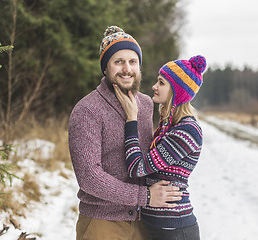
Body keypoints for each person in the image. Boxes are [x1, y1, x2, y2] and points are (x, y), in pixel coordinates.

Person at [68, 26, 182, 240]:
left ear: (139, 66)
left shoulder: (147, 104)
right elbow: (89, 177)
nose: (126, 69)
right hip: (103, 224)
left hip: (144, 221)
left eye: (132, 61)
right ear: (105, 67)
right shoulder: (87, 110)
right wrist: (145, 196)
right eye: (118, 61)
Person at [114, 55, 207, 240]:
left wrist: (131, 120)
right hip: (161, 228)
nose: (154, 87)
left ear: (176, 91)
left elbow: (137, 168)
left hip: (174, 230)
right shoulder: (170, 126)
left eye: (161, 82)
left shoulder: (186, 130)